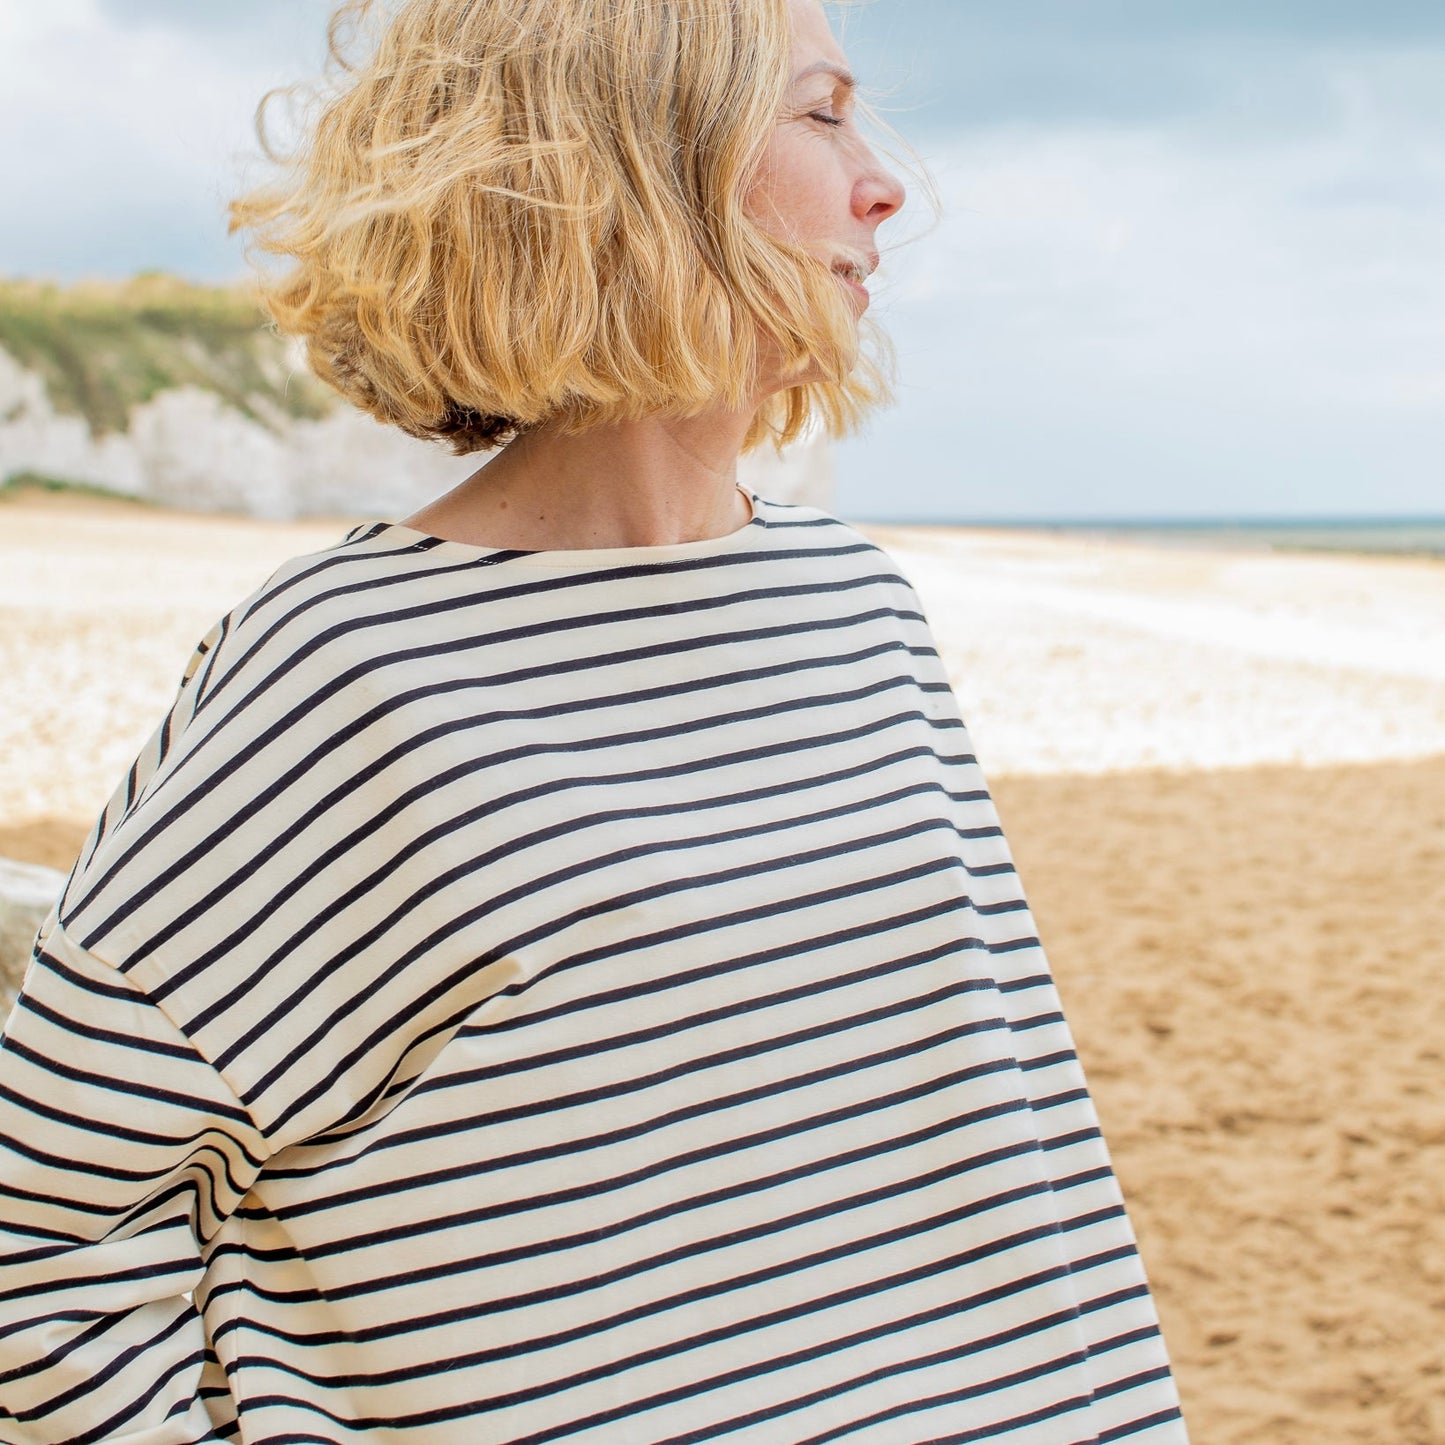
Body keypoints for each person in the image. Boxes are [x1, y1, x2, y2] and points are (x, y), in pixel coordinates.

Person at [0, 0, 1188, 1439]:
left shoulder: (861, 612)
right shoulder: (349, 668)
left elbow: (1017, 1182)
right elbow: (45, 1235)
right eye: (818, 114)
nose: (881, 181)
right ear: (633, 167)